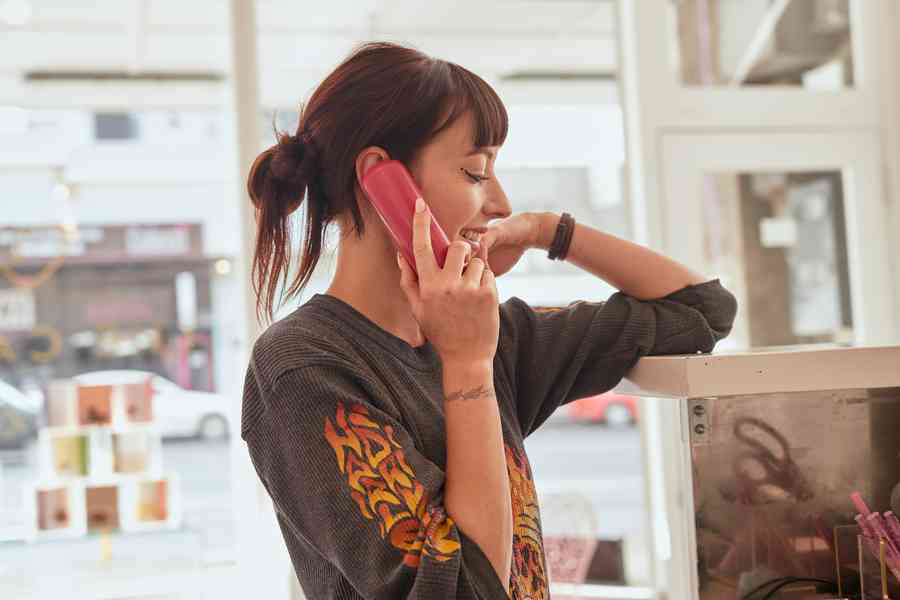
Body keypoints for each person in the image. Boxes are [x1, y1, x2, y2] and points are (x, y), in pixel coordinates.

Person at [241, 41, 737, 600]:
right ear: (382, 180)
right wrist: (467, 365)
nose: (499, 201)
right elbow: (463, 592)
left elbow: (701, 310)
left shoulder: (496, 339)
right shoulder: (304, 368)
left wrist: (546, 230)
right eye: (476, 171)